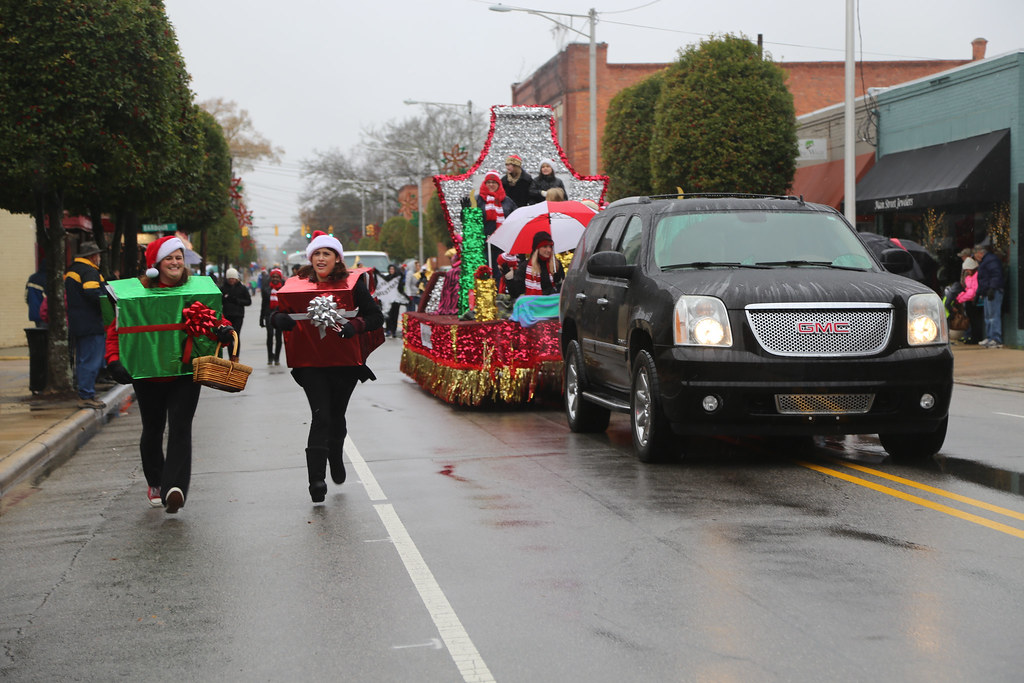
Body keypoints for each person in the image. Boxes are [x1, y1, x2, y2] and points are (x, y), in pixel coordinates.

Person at [105, 235, 235, 513]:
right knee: (152, 429)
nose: (175, 262)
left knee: (180, 427)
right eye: (169, 257)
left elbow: (214, 318)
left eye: (179, 257)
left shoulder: (196, 289)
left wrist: (224, 331)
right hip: (147, 374)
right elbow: (117, 332)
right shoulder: (135, 295)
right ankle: (155, 480)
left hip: (185, 372)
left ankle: (175, 487)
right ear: (156, 263)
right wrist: (114, 361)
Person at [270, 231, 384, 503]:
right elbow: (273, 313)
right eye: (317, 254)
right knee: (321, 415)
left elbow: (375, 317)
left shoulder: (353, 284)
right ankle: (316, 481)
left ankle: (335, 454)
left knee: (337, 415)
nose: (321, 258)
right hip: (310, 364)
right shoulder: (295, 284)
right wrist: (279, 319)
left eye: (327, 254)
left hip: (344, 363)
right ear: (311, 258)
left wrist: (354, 326)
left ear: (337, 259)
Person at [64, 242, 108, 409]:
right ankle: (86, 395)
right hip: (91, 323)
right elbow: (92, 292)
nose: (99, 259)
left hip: (78, 322)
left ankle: (85, 393)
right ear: (93, 256)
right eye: (98, 256)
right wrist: (107, 303)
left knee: (83, 360)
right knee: (91, 360)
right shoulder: (89, 271)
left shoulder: (73, 270)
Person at [476, 170, 518, 276]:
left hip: (502, 244)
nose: (491, 184)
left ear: (498, 184)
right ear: (484, 184)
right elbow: (469, 221)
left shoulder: (507, 201)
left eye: (494, 182)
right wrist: (466, 212)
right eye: (488, 182)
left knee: (501, 273)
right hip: (484, 244)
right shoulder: (477, 200)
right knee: (485, 273)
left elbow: (515, 219)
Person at [508, 231, 565, 299]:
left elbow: (564, 288)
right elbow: (515, 293)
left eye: (550, 246)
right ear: (537, 249)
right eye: (545, 246)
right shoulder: (525, 267)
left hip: (552, 305)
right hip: (533, 306)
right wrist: (509, 279)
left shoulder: (556, 265)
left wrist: (558, 283)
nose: (549, 250)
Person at [973, 243, 1005, 348]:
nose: (976, 257)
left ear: (980, 252)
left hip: (993, 291)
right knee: (988, 316)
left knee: (993, 315)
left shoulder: (990, 260)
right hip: (988, 291)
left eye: (976, 254)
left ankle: (996, 338)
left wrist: (992, 288)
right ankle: (990, 337)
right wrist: (979, 293)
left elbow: (995, 275)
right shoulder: (987, 261)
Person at [259, 267, 286, 365]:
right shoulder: (266, 289)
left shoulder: (284, 289)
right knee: (270, 335)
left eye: (277, 277)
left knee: (279, 337)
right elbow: (263, 304)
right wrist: (261, 319)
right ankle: (270, 356)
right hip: (268, 314)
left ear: (280, 278)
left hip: (279, 315)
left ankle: (277, 357)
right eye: (273, 277)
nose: (275, 279)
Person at [953, 257, 982, 343]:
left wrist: (960, 299)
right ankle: (972, 337)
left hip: (974, 301)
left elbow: (972, 291)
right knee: (972, 321)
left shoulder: (976, 276)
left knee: (975, 321)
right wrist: (959, 298)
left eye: (969, 270)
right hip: (969, 300)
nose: (967, 272)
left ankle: (975, 337)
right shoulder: (969, 278)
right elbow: (967, 290)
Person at [220, 267, 252, 343]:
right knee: (228, 335)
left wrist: (238, 301)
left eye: (233, 278)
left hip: (238, 315)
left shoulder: (242, 288)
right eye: (230, 278)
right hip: (227, 315)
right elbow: (219, 301)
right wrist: (225, 299)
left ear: (236, 279)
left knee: (236, 335)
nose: (231, 280)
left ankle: (236, 354)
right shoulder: (223, 288)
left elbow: (248, 301)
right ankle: (231, 354)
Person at [377, 263, 406, 338]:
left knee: (395, 315)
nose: (391, 270)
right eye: (390, 269)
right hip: (388, 301)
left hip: (396, 301)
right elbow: (381, 279)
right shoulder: (387, 278)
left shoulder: (398, 279)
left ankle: (394, 331)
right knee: (388, 316)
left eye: (392, 269)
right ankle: (388, 330)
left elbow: (401, 278)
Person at [25, 261, 47, 327]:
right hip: (44, 314)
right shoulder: (46, 279)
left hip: (34, 312)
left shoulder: (32, 278)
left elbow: (26, 296)